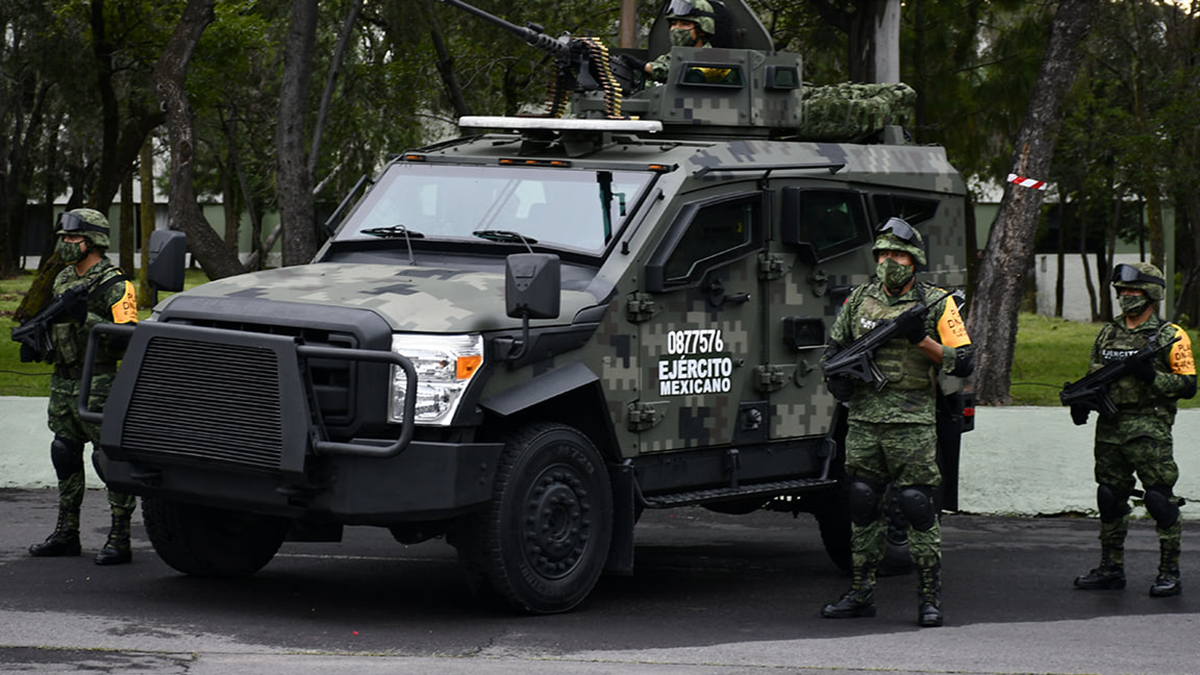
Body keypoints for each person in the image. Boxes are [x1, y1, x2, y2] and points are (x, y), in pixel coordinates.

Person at [819, 217, 973, 627]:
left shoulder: (937, 303)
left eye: (898, 255)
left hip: (912, 423)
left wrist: (921, 338)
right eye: (883, 254)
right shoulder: (858, 299)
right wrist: (836, 379)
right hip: (864, 421)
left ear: (914, 260)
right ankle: (861, 592)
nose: (890, 262)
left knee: (916, 505)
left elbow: (964, 361)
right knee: (861, 502)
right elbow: (834, 350)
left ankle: (929, 599)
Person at [1071, 262, 1195, 597]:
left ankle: (1169, 572)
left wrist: (1151, 375)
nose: (1126, 296)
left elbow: (1188, 386)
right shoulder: (1107, 333)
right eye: (1122, 290)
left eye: (1133, 290)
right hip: (1110, 427)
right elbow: (1095, 376)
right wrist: (1082, 402)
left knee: (1159, 499)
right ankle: (1111, 568)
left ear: (1150, 293)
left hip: (1149, 428)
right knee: (1109, 496)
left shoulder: (1170, 335)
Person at [27, 208, 139, 565]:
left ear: (92, 241)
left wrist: (85, 316)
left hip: (100, 381)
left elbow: (127, 338)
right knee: (64, 450)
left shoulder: (115, 284)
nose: (65, 243)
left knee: (107, 457)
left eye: (72, 238)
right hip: (63, 381)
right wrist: (37, 342)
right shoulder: (63, 279)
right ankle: (67, 532)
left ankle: (120, 536)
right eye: (63, 237)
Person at [644, 0, 716, 83]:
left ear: (702, 30)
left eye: (685, 24)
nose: (676, 29)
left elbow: (677, 72)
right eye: (673, 24)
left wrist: (644, 66)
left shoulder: (711, 60)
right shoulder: (669, 58)